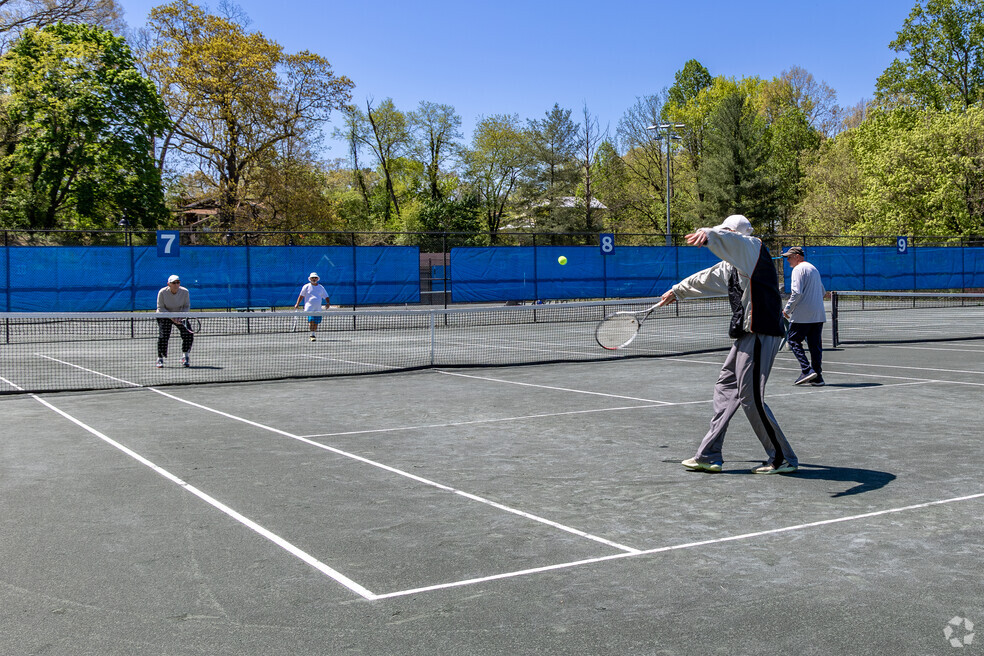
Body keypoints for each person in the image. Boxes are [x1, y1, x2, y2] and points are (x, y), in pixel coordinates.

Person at [657, 215, 798, 475]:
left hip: (761, 331)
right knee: (725, 388)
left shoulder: (752, 247)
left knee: (751, 397)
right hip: (746, 334)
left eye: (726, 232)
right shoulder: (731, 265)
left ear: (735, 234)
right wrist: (677, 291)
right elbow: (705, 278)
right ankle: (709, 455)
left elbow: (731, 240)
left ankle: (782, 457)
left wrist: (709, 233)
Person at [781, 246, 826, 386]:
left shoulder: (798, 269)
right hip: (818, 314)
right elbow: (823, 291)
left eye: (789, 257)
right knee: (815, 346)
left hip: (802, 316)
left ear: (797, 256)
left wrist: (787, 310)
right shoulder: (813, 269)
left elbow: (797, 292)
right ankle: (817, 377)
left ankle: (806, 370)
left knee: (793, 340)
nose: (787, 260)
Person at [156, 274, 193, 368]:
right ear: (169, 284)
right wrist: (172, 317)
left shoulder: (185, 292)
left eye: (178, 282)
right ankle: (160, 358)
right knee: (163, 336)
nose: (176, 284)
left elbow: (186, 306)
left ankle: (185, 356)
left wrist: (180, 317)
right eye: (174, 283)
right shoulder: (162, 292)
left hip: (180, 316)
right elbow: (160, 308)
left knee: (188, 334)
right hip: (164, 316)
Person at [294, 272, 330, 341]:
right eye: (312, 278)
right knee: (311, 321)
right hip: (309, 308)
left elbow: (326, 296)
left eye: (315, 278)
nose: (314, 279)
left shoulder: (321, 287)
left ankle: (313, 333)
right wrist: (297, 304)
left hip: (318, 309)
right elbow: (301, 296)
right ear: (310, 279)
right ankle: (312, 335)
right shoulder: (306, 286)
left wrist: (328, 303)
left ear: (317, 279)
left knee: (316, 323)